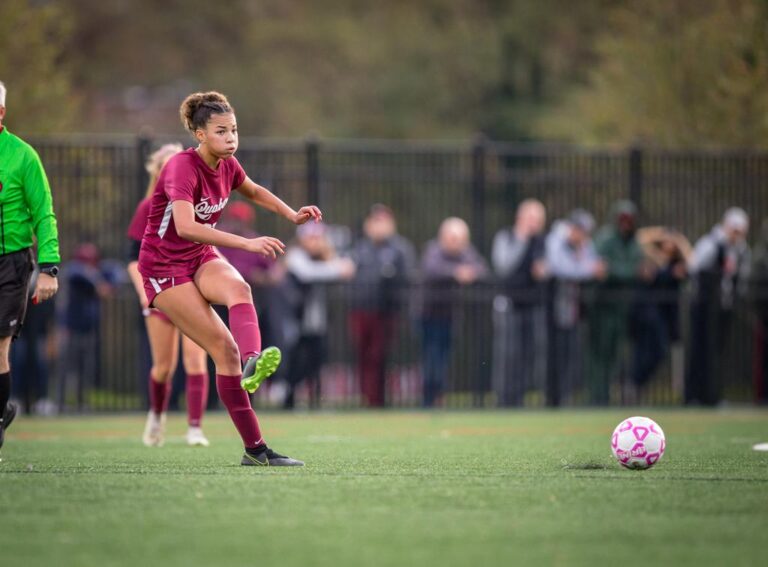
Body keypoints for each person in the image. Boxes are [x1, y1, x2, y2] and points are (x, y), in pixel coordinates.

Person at [137, 91, 321, 466]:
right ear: (200, 135)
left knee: (240, 288)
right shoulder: (180, 167)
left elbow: (252, 190)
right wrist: (247, 243)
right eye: (221, 131)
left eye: (234, 130)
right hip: (163, 267)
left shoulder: (228, 165)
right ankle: (256, 450)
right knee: (223, 351)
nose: (231, 138)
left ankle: (253, 362)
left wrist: (292, 215)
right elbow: (187, 227)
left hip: (197, 256)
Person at [127, 143, 211, 447]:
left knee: (196, 359)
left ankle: (195, 428)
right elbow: (133, 259)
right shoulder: (148, 206)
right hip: (161, 289)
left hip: (189, 289)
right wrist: (144, 292)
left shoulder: (195, 203)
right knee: (164, 367)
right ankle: (157, 415)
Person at [0, 80, 60, 457]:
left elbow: (44, 213)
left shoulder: (22, 155)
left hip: (12, 263)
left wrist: (50, 268)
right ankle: (3, 408)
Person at [348, 204, 415, 407]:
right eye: (375, 221)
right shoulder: (360, 248)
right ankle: (367, 398)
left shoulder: (400, 249)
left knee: (380, 357)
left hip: (386, 312)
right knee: (363, 356)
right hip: (361, 310)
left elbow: (408, 277)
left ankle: (379, 400)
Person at [283, 222, 355, 409]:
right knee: (295, 360)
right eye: (310, 238)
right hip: (294, 319)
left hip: (317, 322)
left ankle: (315, 399)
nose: (314, 242)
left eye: (318, 238)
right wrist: (338, 268)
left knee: (317, 359)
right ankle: (288, 397)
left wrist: (334, 261)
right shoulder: (295, 256)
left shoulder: (325, 258)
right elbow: (308, 273)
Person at [421, 218, 488, 407]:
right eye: (452, 238)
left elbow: (482, 269)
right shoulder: (433, 250)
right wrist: (456, 272)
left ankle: (438, 397)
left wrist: (470, 272)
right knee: (431, 359)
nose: (456, 243)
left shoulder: (466, 253)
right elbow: (431, 269)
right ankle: (428, 399)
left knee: (443, 360)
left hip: (450, 316)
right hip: (428, 314)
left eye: (460, 239)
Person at [687, 207, 750, 405]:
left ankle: (713, 396)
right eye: (734, 230)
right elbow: (694, 266)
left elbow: (742, 277)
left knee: (718, 353)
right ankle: (693, 396)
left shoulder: (741, 250)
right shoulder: (711, 244)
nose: (737, 235)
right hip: (704, 308)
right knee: (700, 350)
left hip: (724, 308)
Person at [491, 199, 547, 406]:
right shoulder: (506, 237)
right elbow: (503, 266)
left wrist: (544, 270)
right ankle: (504, 399)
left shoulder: (542, 241)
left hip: (534, 306)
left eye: (539, 219)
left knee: (531, 355)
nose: (535, 223)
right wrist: (522, 240)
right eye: (532, 218)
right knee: (508, 355)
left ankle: (522, 399)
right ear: (520, 218)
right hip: (510, 304)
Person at [545, 210, 605, 404]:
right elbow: (562, 268)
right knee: (553, 354)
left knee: (570, 353)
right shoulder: (556, 240)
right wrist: (586, 268)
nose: (584, 237)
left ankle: (564, 396)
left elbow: (595, 263)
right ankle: (553, 398)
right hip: (552, 307)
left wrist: (584, 265)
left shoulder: (583, 243)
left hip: (575, 309)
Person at [587, 200, 643, 404]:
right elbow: (603, 269)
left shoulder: (634, 242)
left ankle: (606, 397)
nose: (626, 224)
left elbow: (636, 268)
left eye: (629, 220)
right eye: (623, 219)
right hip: (601, 306)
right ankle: (597, 398)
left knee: (614, 355)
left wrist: (619, 271)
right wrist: (625, 272)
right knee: (598, 354)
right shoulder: (605, 239)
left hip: (621, 307)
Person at [630, 227, 691, 397]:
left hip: (666, 317)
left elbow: (692, 260)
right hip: (646, 315)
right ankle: (634, 384)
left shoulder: (678, 264)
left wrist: (678, 238)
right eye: (666, 241)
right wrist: (660, 233)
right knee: (643, 352)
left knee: (660, 351)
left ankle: (637, 383)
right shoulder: (651, 259)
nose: (669, 244)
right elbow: (639, 238)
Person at [57, 243, 113, 411]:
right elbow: (76, 272)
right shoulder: (75, 272)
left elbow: (117, 271)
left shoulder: (96, 272)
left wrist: (99, 281)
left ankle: (81, 403)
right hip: (71, 328)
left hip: (89, 329)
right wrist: (96, 281)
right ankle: (60, 403)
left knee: (85, 367)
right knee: (67, 366)